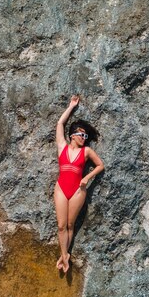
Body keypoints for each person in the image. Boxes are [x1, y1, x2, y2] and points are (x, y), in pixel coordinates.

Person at [54, 95, 104, 273]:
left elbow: (100, 166)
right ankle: (65, 255)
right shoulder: (62, 146)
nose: (84, 137)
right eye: (81, 134)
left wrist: (87, 177)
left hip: (78, 190)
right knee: (61, 225)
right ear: (73, 135)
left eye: (86, 135)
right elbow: (60, 124)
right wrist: (71, 106)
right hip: (61, 188)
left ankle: (64, 256)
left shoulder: (87, 151)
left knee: (70, 225)